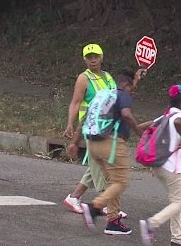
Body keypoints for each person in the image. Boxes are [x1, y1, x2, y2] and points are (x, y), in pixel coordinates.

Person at [62, 43, 144, 218]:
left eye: (96, 56)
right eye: (89, 57)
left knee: (97, 163)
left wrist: (136, 78)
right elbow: (76, 102)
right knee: (102, 164)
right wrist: (70, 123)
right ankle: (104, 203)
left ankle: (75, 196)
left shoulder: (107, 77)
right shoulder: (84, 78)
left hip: (106, 126)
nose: (93, 60)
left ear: (101, 57)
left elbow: (119, 93)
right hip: (90, 126)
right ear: (84, 59)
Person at [139, 84, 181, 246]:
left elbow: (143, 127)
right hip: (172, 168)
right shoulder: (180, 116)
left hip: (159, 165)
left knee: (176, 203)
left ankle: (176, 239)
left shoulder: (165, 115)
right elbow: (178, 123)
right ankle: (151, 224)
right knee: (179, 202)